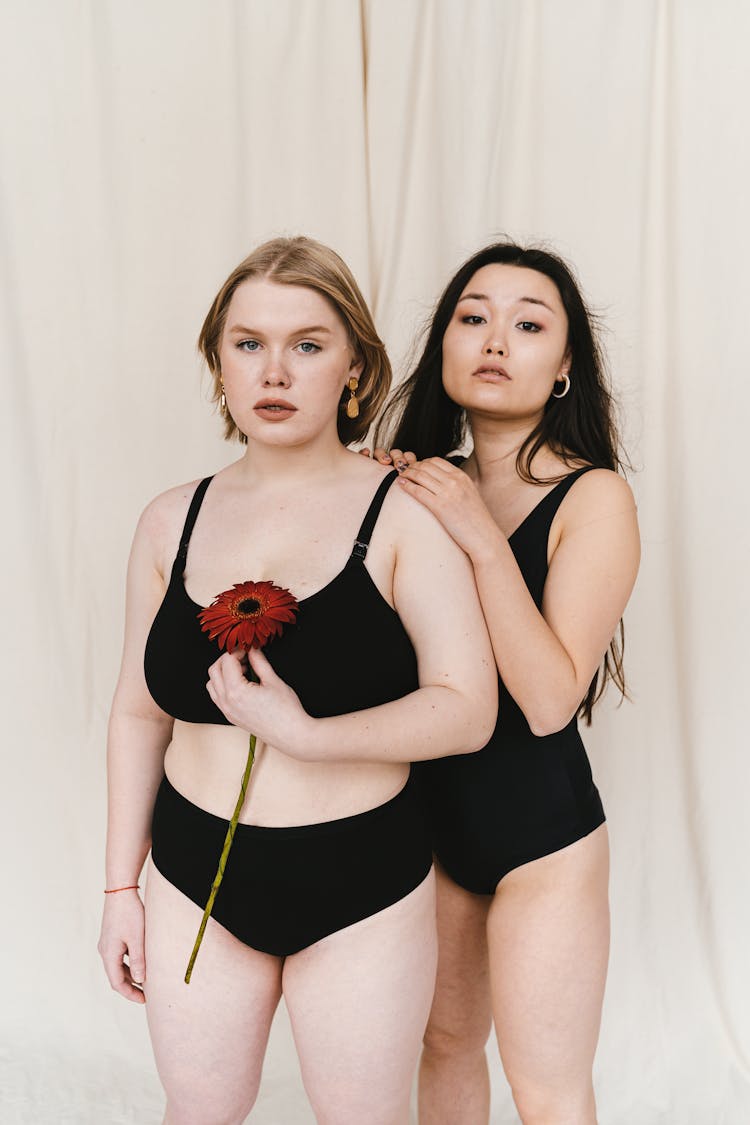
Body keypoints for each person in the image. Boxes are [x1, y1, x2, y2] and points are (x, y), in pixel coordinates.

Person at [97, 236, 497, 1125]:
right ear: (219, 362)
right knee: (199, 1108)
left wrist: (309, 735)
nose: (275, 370)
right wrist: (121, 887)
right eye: (249, 343)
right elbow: (136, 712)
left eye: (308, 345)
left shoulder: (404, 515)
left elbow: (468, 709)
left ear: (353, 367)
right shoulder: (171, 520)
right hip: (194, 870)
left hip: (364, 880)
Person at [369, 242, 640, 1125]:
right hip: (427, 824)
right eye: (472, 317)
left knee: (547, 1089)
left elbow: (550, 697)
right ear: (445, 346)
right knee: (444, 1046)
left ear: (563, 368)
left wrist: (478, 534)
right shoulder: (409, 484)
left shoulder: (594, 497)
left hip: (542, 840)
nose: (495, 340)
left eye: (529, 324)